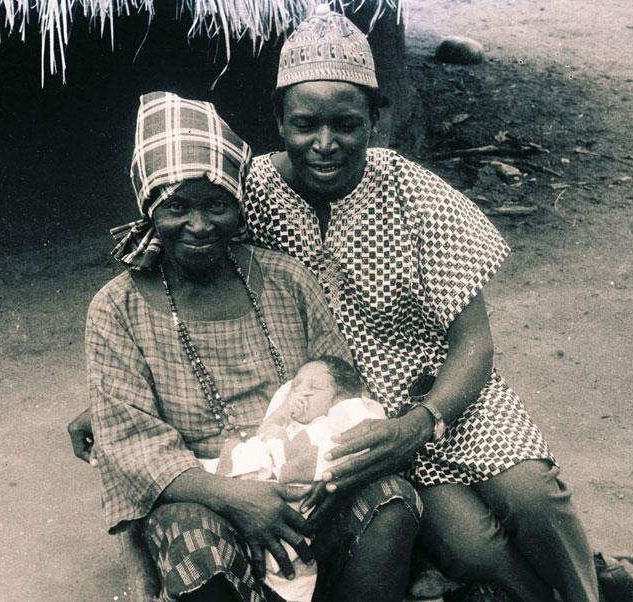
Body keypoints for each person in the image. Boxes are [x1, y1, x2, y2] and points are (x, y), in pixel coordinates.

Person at [71, 6, 598, 600]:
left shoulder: (416, 196)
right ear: (279, 121)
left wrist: (423, 422)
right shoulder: (250, 187)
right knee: (476, 545)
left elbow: (474, 341)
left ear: (376, 118)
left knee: (535, 499)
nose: (324, 145)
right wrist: (108, 404)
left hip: (443, 401)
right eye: (304, 125)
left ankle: (590, 589)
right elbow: (171, 245)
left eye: (347, 124)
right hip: (341, 421)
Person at [86, 90, 420, 602]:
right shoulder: (116, 309)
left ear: (238, 207)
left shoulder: (286, 280)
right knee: (191, 542)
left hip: (308, 479)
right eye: (177, 207)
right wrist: (241, 499)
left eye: (217, 204)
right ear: (150, 207)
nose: (199, 226)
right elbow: (136, 450)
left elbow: (341, 385)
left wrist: (325, 479)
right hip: (201, 493)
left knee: (390, 503)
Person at [204, 356, 387, 602]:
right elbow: (264, 439)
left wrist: (277, 451)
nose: (302, 392)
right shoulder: (289, 426)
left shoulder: (338, 418)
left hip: (308, 506)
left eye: (315, 388)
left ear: (341, 397)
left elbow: (320, 456)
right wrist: (281, 416)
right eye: (296, 386)